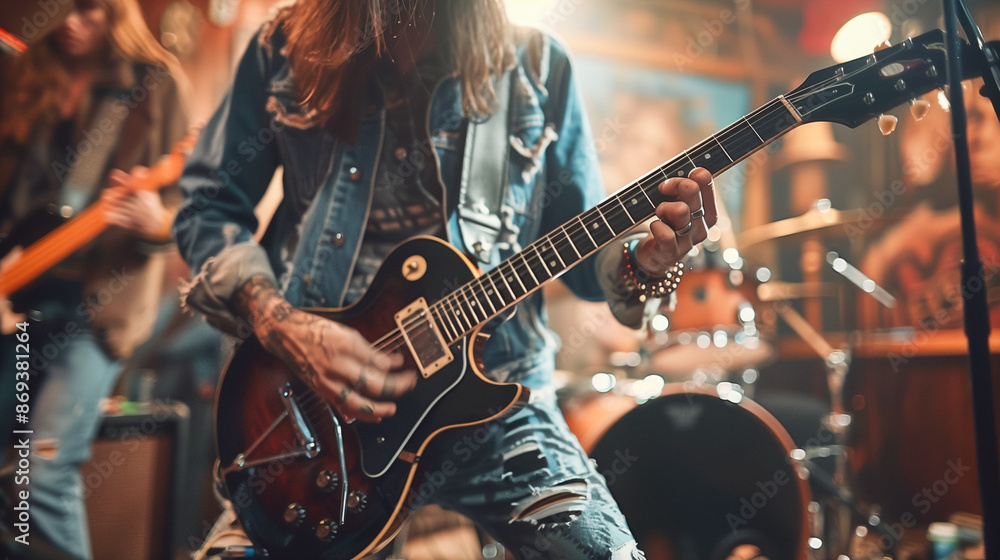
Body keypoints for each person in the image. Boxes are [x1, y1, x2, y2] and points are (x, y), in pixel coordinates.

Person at [174, 1, 715, 558]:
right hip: (319, 408)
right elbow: (207, 208)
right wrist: (280, 323)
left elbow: (583, 263)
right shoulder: (285, 47)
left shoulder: (537, 65)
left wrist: (646, 264)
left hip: (499, 400)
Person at [0, 0, 189, 556]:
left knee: (41, 474)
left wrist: (157, 223)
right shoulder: (22, 73)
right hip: (16, 300)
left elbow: (195, 208)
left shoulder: (157, 84)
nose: (71, 22)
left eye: (88, 9)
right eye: (61, 8)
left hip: (97, 311)